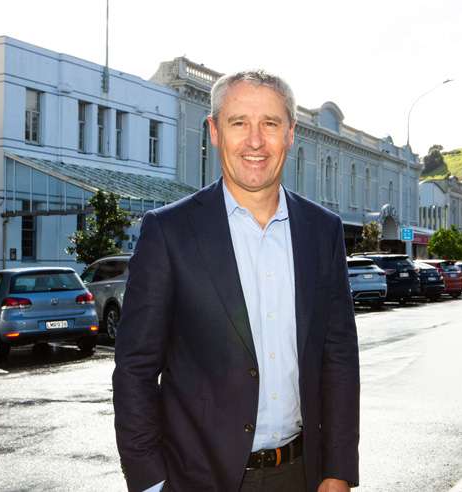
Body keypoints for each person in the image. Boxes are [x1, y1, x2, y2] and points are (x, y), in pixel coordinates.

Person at [113, 70, 360, 492]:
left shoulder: (322, 231)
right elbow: (135, 370)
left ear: (290, 134)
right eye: (238, 122)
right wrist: (150, 483)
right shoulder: (169, 231)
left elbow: (338, 359)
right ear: (213, 131)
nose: (255, 141)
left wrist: (338, 472)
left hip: (301, 476)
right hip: (196, 480)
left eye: (270, 123)